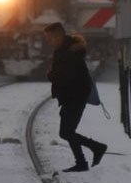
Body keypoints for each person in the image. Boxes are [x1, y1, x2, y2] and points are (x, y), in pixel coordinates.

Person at [44, 22, 107, 173]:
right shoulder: (67, 49)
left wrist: (51, 75)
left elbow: (65, 76)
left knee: (66, 132)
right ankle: (83, 160)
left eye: (50, 38)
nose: (48, 41)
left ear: (58, 36)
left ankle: (95, 149)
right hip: (74, 95)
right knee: (68, 131)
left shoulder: (67, 52)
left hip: (74, 96)